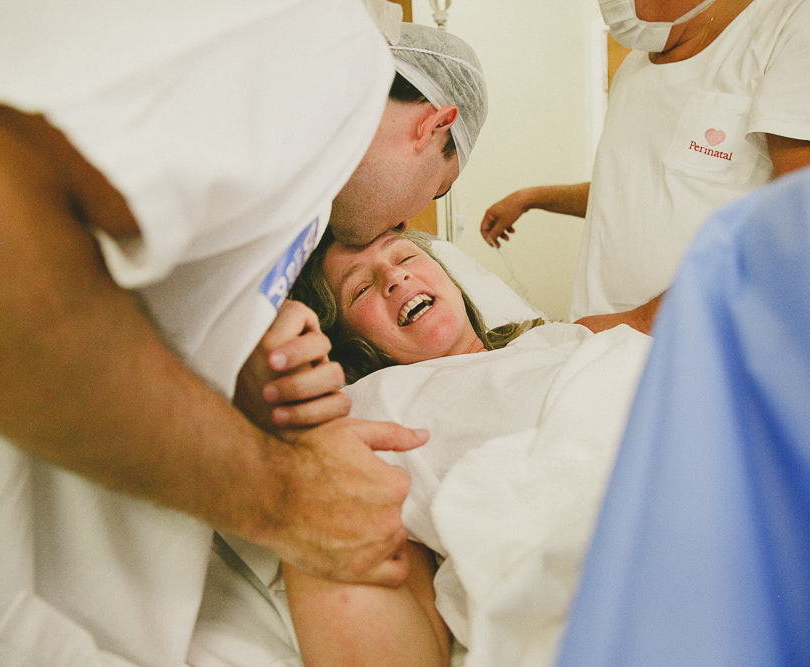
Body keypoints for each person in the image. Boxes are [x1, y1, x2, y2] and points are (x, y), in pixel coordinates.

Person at [0, 3, 487, 666]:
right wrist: (285, 495)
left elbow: (103, 275)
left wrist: (237, 352)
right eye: (439, 187)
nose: (401, 229)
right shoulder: (323, 42)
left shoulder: (303, 174)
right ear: (434, 127)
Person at [188, 228, 653, 667]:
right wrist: (303, 449)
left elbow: (690, 317)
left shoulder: (554, 339)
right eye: (361, 289)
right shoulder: (378, 411)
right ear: (347, 349)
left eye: (406, 255)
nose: (394, 276)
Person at [557, 141, 810, 666]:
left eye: (411, 254)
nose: (399, 277)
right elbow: (616, 194)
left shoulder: (788, 235)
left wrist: (640, 322)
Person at [480, 0, 810, 324]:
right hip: (604, 337)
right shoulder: (634, 67)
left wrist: (643, 319)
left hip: (707, 341)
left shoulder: (799, 28)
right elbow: (638, 189)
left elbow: (802, 225)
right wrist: (533, 197)